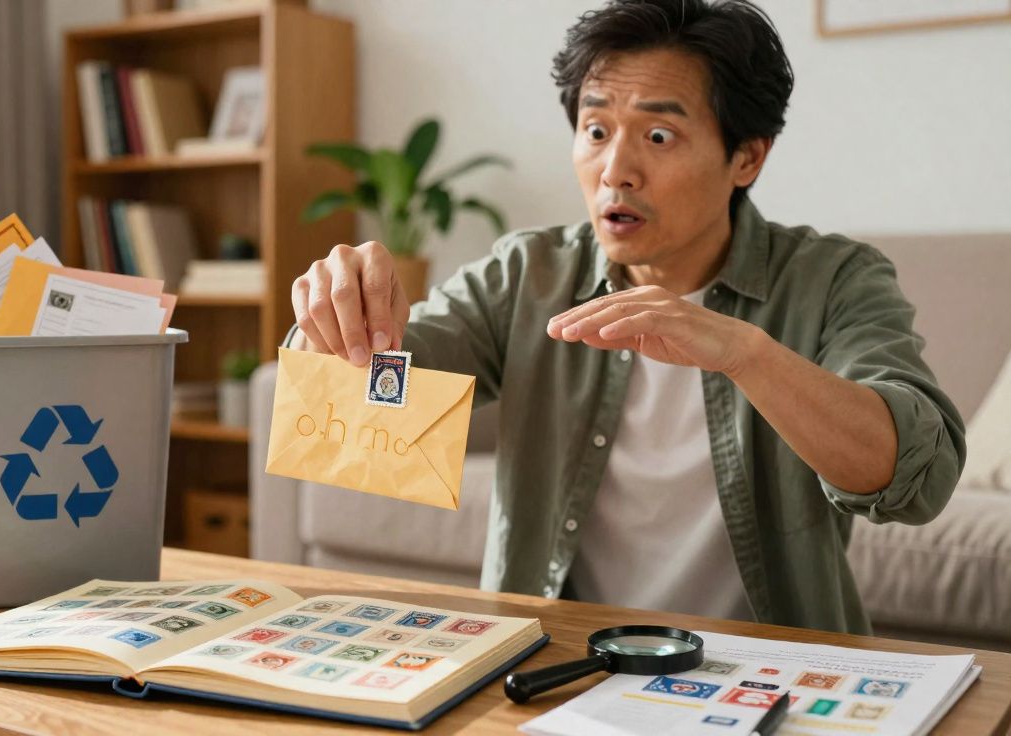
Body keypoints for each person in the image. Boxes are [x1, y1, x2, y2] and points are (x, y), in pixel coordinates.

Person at [284, 0, 963, 635]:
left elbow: (916, 481)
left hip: (771, 671)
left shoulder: (833, 279)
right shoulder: (529, 274)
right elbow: (367, 407)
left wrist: (743, 352)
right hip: (558, 661)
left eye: (660, 134)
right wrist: (335, 324)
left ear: (747, 157)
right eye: (597, 129)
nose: (616, 171)